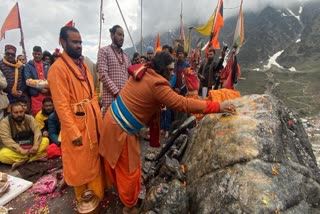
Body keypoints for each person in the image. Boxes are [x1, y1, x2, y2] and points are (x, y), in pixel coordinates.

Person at [99, 51, 236, 213]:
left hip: (110, 119)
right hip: (121, 130)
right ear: (161, 69)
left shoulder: (144, 70)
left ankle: (122, 195)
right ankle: (129, 206)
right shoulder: (157, 84)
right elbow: (183, 104)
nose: (172, 73)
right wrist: (217, 107)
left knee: (115, 162)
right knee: (130, 169)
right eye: (169, 70)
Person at [48, 26, 104, 204]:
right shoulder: (57, 69)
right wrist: (72, 132)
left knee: (94, 158)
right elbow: (61, 105)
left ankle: (98, 195)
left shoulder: (83, 65)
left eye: (80, 42)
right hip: (77, 125)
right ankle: (85, 202)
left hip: (92, 120)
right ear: (63, 42)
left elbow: (90, 93)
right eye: (75, 42)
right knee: (80, 164)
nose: (79, 45)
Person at [0, 103, 49, 167]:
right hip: (17, 148)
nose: (19, 114)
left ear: (24, 111)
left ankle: (23, 161)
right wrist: (21, 150)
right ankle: (34, 158)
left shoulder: (30, 118)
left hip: (31, 145)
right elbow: (7, 140)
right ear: (11, 113)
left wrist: (36, 145)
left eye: (21, 112)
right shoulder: (5, 122)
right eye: (16, 112)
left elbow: (37, 132)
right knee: (2, 155)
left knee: (45, 141)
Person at [97, 25, 131, 117]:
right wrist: (117, 93)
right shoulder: (104, 51)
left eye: (123, 35)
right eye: (119, 34)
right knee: (109, 128)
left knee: (123, 129)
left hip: (124, 101)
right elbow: (103, 75)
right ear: (112, 35)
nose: (122, 38)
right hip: (111, 101)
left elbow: (130, 79)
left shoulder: (127, 56)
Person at [24, 46, 50, 116]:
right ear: (32, 54)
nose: (37, 56)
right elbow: (28, 80)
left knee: (49, 113)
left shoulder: (47, 65)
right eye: (35, 54)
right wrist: (40, 89)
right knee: (37, 113)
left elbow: (51, 79)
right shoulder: (28, 66)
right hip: (36, 94)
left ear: (42, 55)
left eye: (39, 54)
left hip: (47, 94)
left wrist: (48, 89)